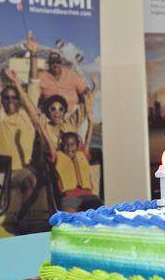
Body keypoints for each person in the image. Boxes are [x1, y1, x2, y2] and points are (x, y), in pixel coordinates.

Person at [11, 67, 101, 213]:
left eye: (60, 109)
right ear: (48, 112)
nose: (57, 113)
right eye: (53, 109)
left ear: (64, 111)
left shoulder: (71, 124)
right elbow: (30, 108)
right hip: (49, 167)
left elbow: (86, 107)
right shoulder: (44, 125)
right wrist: (16, 83)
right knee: (35, 185)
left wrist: (95, 89)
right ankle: (22, 217)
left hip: (69, 169)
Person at [0, 33, 38, 221]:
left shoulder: (27, 116)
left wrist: (33, 55)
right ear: (1, 100)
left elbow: (34, 84)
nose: (11, 100)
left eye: (14, 97)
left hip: (20, 171)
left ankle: (22, 221)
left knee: (31, 181)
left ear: (20, 100)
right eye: (6, 97)